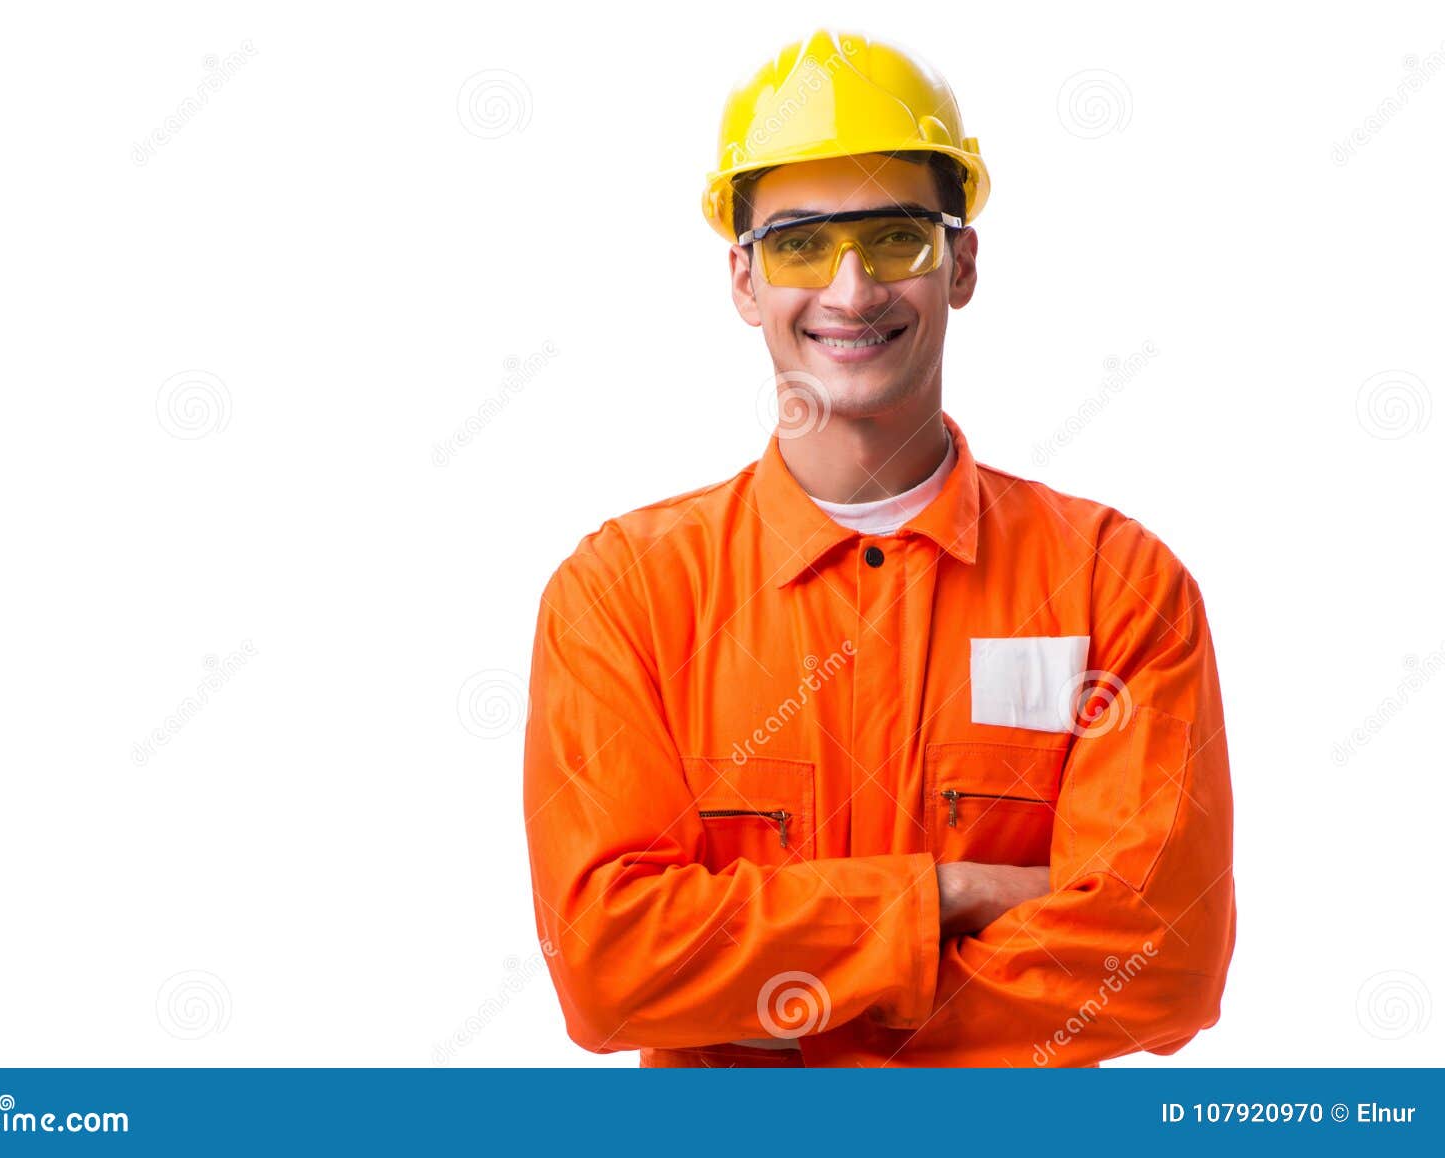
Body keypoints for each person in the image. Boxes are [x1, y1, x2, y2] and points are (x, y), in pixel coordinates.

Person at [521, 28, 1236, 1068]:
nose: (851, 290)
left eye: (895, 237)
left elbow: (1162, 961)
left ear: (961, 264)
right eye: (801, 244)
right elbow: (608, 971)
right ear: (743, 280)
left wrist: (774, 989)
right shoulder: (623, 596)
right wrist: (947, 896)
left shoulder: (1115, 587)